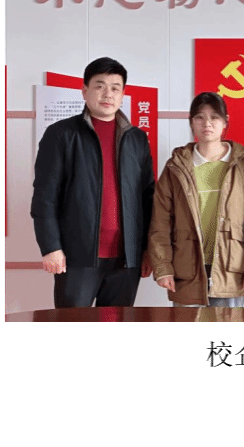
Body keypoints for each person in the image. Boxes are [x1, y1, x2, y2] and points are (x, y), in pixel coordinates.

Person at [31, 57, 155, 308]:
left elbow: (148, 197)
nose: (108, 94)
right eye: (100, 86)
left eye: (115, 88)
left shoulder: (137, 139)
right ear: (84, 90)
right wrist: (51, 247)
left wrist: (146, 249)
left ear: (123, 95)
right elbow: (45, 197)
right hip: (77, 256)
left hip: (126, 259)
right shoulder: (61, 134)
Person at [147, 92, 244, 307]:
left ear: (225, 121)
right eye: (199, 117)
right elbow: (160, 221)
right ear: (191, 122)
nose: (207, 123)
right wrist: (163, 267)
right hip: (186, 269)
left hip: (231, 270)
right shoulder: (176, 166)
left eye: (214, 117)